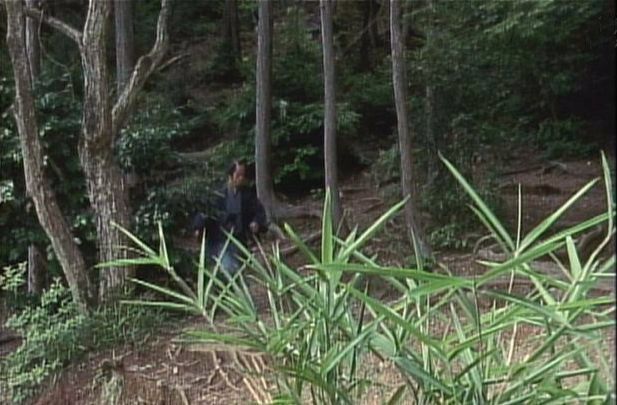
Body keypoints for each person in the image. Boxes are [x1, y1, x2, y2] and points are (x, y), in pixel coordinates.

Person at [190, 160, 268, 277]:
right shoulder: (218, 195)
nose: (241, 178)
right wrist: (198, 226)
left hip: (239, 241)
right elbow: (205, 213)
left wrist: (256, 222)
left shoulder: (247, 195)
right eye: (238, 175)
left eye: (243, 175)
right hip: (220, 241)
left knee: (240, 271)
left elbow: (259, 212)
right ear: (230, 176)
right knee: (229, 269)